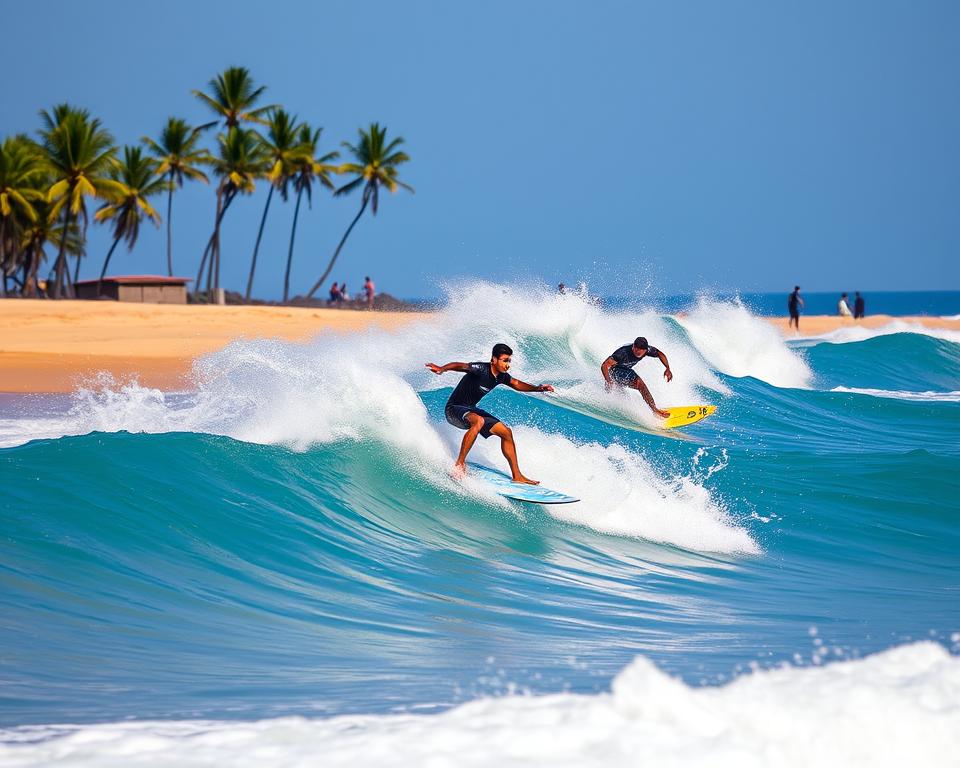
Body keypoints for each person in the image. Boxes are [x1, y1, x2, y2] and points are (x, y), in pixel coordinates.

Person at [426, 343, 554, 484]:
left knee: (506, 432)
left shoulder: (501, 377)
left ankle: (517, 476)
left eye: (509, 361)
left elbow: (517, 384)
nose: (508, 365)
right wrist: (442, 369)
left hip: (470, 409)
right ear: (494, 359)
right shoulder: (481, 369)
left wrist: (538, 389)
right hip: (454, 409)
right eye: (505, 360)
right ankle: (459, 464)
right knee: (479, 421)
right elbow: (461, 366)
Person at [600, 337, 673, 419]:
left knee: (640, 386)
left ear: (645, 350)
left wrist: (667, 368)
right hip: (614, 372)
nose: (637, 352)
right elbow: (604, 365)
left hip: (627, 370)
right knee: (639, 383)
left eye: (640, 351)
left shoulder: (648, 350)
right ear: (633, 346)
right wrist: (609, 381)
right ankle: (655, 411)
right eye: (636, 349)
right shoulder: (622, 353)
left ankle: (654, 409)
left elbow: (660, 354)